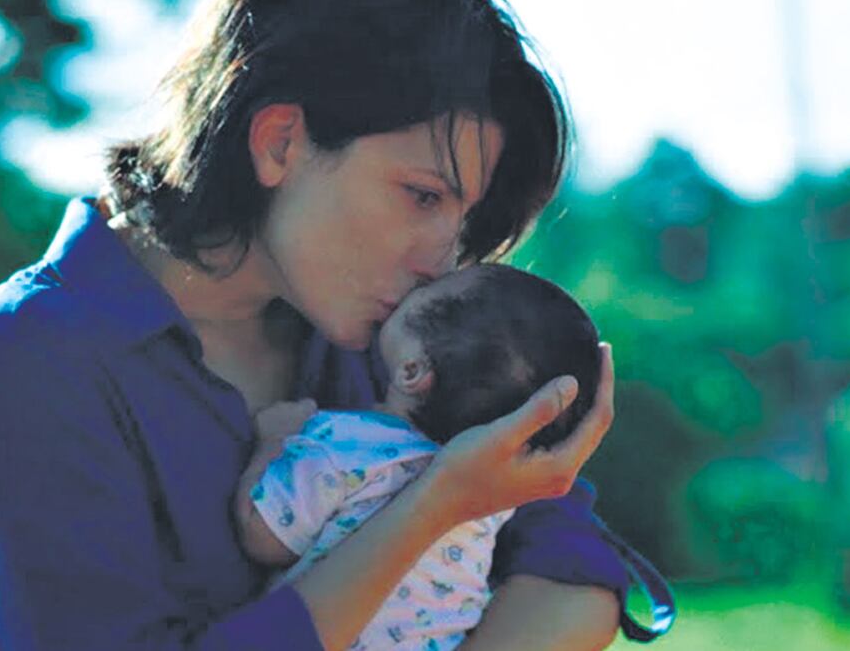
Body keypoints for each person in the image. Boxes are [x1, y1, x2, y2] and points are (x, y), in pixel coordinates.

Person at [0, 0, 641, 651]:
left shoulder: (398, 339)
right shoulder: (29, 357)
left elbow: (579, 573)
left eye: (463, 220)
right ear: (278, 143)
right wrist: (431, 507)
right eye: (422, 196)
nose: (442, 258)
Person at [234, 264, 603, 650]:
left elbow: (263, 535)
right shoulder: (495, 498)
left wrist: (274, 439)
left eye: (426, 291)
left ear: (412, 370)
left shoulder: (344, 446)